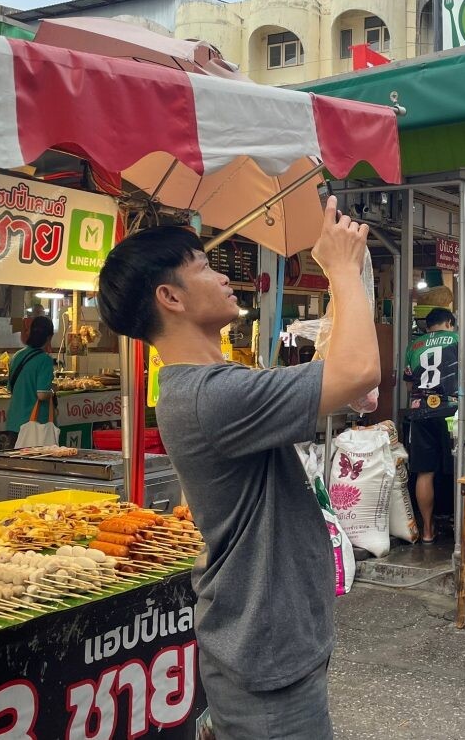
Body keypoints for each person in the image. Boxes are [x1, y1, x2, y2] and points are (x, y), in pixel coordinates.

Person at [94, 197, 380, 740]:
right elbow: (359, 371)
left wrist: (349, 290)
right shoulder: (209, 397)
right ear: (170, 297)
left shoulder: (215, 385)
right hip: (264, 649)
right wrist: (341, 267)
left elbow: (343, 374)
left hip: (270, 637)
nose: (223, 275)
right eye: (202, 265)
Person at [405, 308, 465, 543]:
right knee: (460, 470)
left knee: (425, 472)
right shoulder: (458, 339)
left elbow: (409, 385)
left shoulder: (414, 345)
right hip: (452, 412)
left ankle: (428, 532)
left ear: (427, 326)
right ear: (450, 322)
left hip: (420, 412)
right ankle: (462, 531)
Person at [4, 315, 55, 450]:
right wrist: (53, 390)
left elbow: (10, 388)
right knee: (35, 465)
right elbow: (42, 395)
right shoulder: (45, 360)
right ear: (49, 337)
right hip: (35, 424)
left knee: (14, 465)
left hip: (14, 421)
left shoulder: (17, 356)